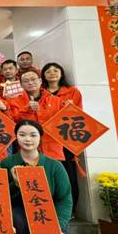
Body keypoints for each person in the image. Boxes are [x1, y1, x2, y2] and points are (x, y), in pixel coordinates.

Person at [1, 120, 72, 234]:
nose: (28, 139)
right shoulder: (7, 163)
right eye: (22, 135)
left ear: (40, 137)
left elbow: (64, 199)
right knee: (15, 217)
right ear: (16, 137)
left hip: (45, 216)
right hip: (19, 215)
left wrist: (58, 226)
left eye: (33, 135)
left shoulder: (54, 166)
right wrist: (16, 184)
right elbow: (1, 198)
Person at [42, 62, 83, 220]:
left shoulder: (72, 92)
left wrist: (72, 108)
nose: (52, 73)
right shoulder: (41, 93)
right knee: (48, 174)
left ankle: (69, 210)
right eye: (48, 71)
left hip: (65, 138)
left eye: (55, 70)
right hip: (46, 140)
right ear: (43, 75)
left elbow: (80, 116)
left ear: (61, 73)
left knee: (67, 174)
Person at [8, 71, 64, 160]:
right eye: (26, 81)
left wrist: (70, 108)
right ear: (21, 84)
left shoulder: (56, 101)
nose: (30, 83)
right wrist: (27, 110)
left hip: (53, 149)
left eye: (33, 79)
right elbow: (12, 122)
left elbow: (63, 123)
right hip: (27, 149)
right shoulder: (13, 101)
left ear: (40, 81)